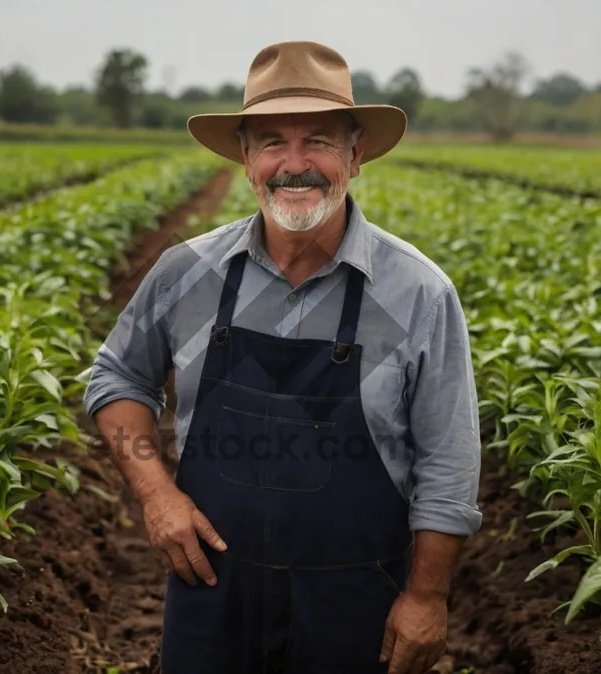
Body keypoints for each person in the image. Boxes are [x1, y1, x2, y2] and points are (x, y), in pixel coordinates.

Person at [82, 40, 482, 674]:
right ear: (246, 159)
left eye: (319, 140)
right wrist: (156, 493)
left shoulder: (418, 293)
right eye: (272, 142)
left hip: (356, 605)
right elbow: (117, 376)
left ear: (356, 154)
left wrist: (427, 596)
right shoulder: (187, 275)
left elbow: (448, 462)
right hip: (211, 593)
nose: (296, 164)